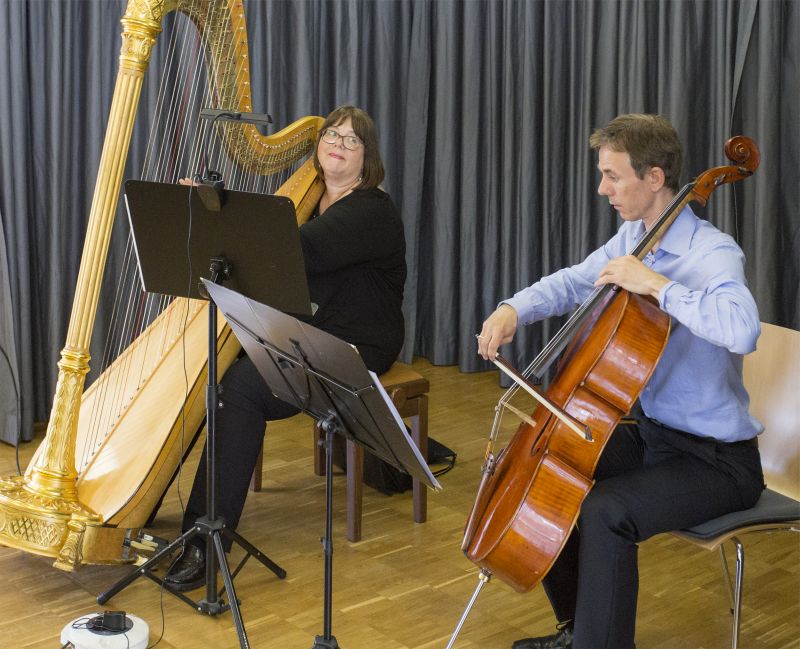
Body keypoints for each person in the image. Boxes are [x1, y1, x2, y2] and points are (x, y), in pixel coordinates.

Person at [477, 114, 764, 649]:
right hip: (656, 437)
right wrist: (514, 308)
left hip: (718, 460)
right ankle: (580, 630)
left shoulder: (712, 252)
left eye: (613, 176)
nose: (602, 188)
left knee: (607, 509)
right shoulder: (635, 236)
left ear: (654, 178)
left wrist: (657, 285)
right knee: (544, 468)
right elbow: (572, 282)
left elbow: (743, 330)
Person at [165, 105, 407, 590]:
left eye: (352, 140)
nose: (337, 144)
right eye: (332, 135)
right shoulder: (314, 198)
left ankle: (206, 541)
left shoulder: (368, 212)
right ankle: (181, 516)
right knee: (223, 376)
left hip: (355, 344)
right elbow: (271, 246)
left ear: (369, 158)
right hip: (307, 333)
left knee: (239, 390)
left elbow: (283, 251)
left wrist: (216, 213)